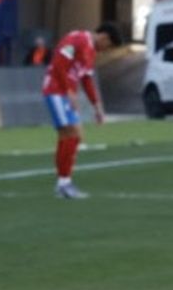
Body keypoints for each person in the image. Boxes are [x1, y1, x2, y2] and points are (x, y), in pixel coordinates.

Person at [42, 22, 121, 200]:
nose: (105, 49)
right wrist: (69, 90)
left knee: (71, 136)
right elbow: (59, 63)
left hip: (64, 93)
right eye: (108, 45)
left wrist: (97, 106)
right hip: (55, 90)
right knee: (72, 134)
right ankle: (64, 183)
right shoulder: (77, 39)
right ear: (104, 37)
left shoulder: (91, 52)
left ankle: (63, 183)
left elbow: (86, 79)